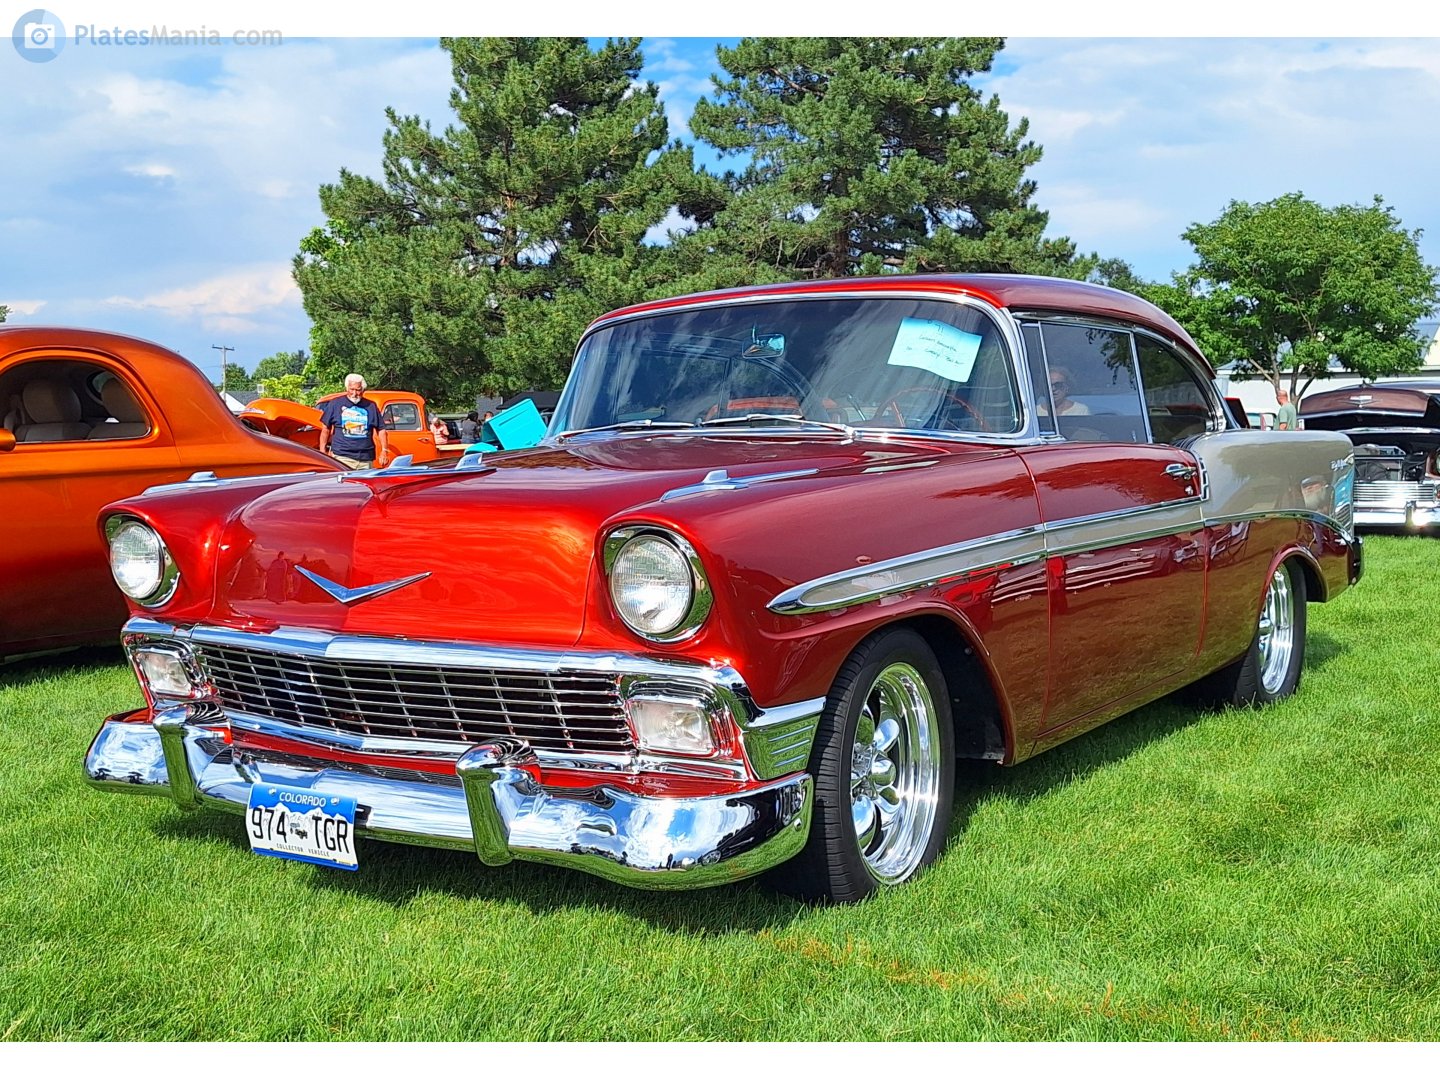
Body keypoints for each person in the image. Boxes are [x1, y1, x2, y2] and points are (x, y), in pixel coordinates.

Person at [318, 373, 389, 469]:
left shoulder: (371, 406)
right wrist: (323, 452)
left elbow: (381, 429)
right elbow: (325, 429)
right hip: (342, 457)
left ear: (363, 390)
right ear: (347, 388)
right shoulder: (335, 404)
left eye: (358, 390)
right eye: (352, 389)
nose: (354, 393)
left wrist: (384, 450)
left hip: (365, 458)